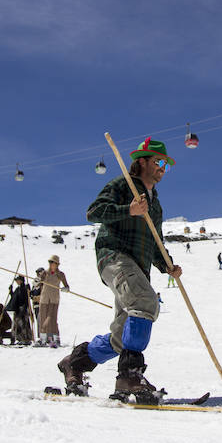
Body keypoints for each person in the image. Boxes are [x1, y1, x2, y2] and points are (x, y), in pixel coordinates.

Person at [57, 137, 182, 402]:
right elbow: (94, 211)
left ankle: (75, 363)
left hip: (136, 265)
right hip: (114, 255)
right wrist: (130, 209)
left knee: (121, 337)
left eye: (166, 165)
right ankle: (130, 376)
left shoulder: (155, 203)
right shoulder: (124, 185)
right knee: (144, 301)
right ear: (142, 161)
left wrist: (167, 265)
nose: (162, 167)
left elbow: (155, 239)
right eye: (158, 161)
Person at [37, 255, 69, 348]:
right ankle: (43, 339)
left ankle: (56, 339)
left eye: (53, 263)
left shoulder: (60, 274)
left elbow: (67, 286)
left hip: (54, 299)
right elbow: (39, 283)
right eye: (50, 262)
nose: (51, 264)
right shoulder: (45, 273)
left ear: (57, 264)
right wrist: (37, 281)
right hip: (44, 299)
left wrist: (65, 289)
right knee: (43, 318)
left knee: (52, 318)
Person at [6, 275, 33, 345]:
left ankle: (26, 338)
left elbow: (26, 298)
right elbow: (15, 298)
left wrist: (24, 308)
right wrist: (11, 291)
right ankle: (18, 338)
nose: (16, 282)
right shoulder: (18, 289)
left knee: (23, 324)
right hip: (17, 309)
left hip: (23, 309)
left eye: (17, 280)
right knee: (17, 324)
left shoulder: (24, 288)